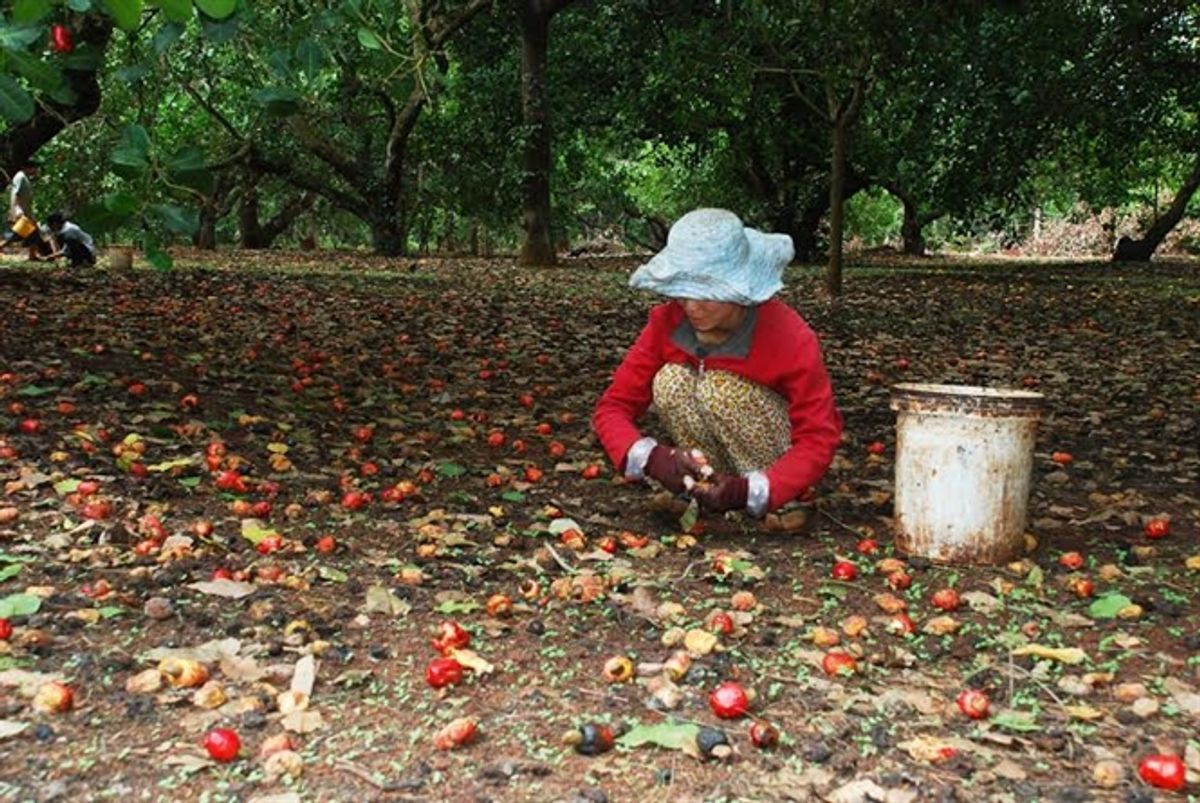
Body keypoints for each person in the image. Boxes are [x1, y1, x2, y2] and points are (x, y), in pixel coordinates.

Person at [592, 208, 842, 529]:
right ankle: (704, 486)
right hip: (712, 459)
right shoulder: (666, 321)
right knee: (672, 381)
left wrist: (751, 490)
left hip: (777, 465)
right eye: (684, 292)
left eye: (707, 295)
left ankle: (773, 501)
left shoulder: (789, 335)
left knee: (719, 388)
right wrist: (653, 459)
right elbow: (613, 407)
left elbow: (819, 435)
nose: (692, 306)